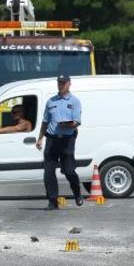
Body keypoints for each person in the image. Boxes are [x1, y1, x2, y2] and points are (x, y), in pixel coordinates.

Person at [36, 74, 83, 209]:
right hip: (52, 139)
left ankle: (77, 193)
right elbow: (45, 122)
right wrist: (40, 138)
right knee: (48, 171)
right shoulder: (51, 101)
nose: (61, 85)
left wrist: (66, 125)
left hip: (68, 139)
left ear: (69, 83)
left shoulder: (74, 101)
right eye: (59, 83)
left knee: (68, 171)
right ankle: (52, 201)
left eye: (63, 83)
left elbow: (76, 122)